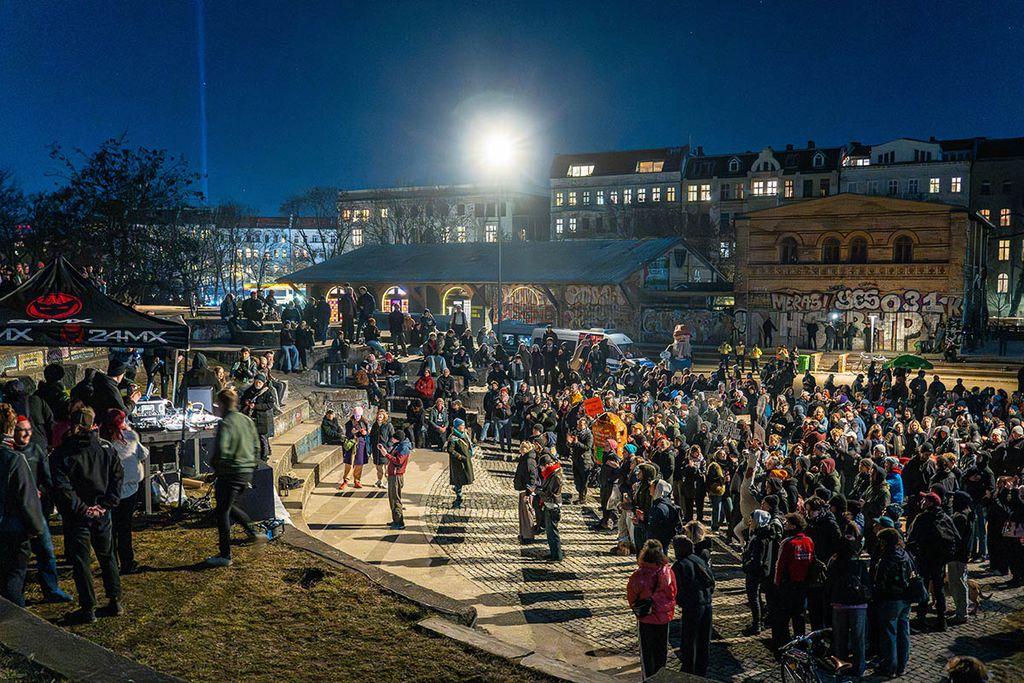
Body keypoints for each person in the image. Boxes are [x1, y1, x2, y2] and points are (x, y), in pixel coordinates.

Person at [50, 407, 124, 623]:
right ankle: (114, 599)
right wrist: (106, 504)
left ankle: (88, 606)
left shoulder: (63, 453)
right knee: (107, 555)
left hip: (77, 515)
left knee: (82, 561)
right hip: (100, 511)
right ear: (94, 425)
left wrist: (82, 508)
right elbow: (117, 477)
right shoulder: (105, 448)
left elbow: (63, 487)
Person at [205, 389, 261, 567]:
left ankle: (225, 555)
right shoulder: (246, 420)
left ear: (221, 405)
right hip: (245, 472)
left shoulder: (225, 423)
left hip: (230, 472)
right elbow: (256, 445)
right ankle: (254, 533)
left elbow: (222, 451)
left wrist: (215, 470)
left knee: (222, 512)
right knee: (229, 506)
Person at [0, 404, 48, 607]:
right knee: (13, 580)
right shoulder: (14, 460)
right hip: (12, 530)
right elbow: (27, 499)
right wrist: (36, 528)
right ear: (11, 429)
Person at [98, 409, 147, 575]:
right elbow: (143, 454)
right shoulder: (131, 436)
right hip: (129, 489)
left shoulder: (101, 442)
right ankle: (127, 562)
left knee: (111, 529)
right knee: (124, 528)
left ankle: (111, 563)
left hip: (109, 490)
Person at [906, 490, 959, 631]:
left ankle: (921, 619)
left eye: (924, 500)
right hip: (940, 560)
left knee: (923, 589)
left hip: (924, 558)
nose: (922, 502)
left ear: (930, 503)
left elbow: (910, 538)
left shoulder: (922, 518)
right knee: (939, 589)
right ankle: (942, 621)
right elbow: (956, 537)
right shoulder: (946, 518)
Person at [626, 539, 677, 679]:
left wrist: (637, 609)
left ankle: (648, 679)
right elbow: (673, 593)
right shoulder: (668, 572)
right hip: (664, 618)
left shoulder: (639, 575)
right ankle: (660, 678)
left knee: (647, 654)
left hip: (646, 619)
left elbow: (632, 596)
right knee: (661, 652)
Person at [823, 527, 871, 677]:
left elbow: (828, 584)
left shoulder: (834, 563)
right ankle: (859, 667)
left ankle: (841, 665)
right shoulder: (859, 564)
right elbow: (867, 583)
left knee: (840, 638)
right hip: (858, 605)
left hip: (839, 604)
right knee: (858, 638)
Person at [870, 526, 914, 678]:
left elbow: (879, 582)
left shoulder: (886, 559)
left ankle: (889, 667)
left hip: (890, 600)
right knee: (903, 633)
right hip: (905, 599)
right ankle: (902, 665)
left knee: (889, 635)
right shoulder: (905, 555)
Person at [672, 535, 714, 676]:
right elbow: (711, 582)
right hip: (707, 604)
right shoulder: (699, 560)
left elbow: (676, 590)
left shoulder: (680, 565)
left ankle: (689, 670)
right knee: (704, 640)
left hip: (692, 606)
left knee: (689, 639)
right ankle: (702, 670)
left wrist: (682, 602)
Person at [772, 512, 815, 650]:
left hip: (788, 583)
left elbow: (780, 565)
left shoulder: (787, 543)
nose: (785, 525)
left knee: (783, 615)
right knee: (799, 615)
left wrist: (777, 583)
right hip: (803, 583)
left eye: (787, 523)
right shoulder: (809, 541)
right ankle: (800, 640)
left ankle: (783, 643)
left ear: (793, 526)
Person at [241, 374, 276, 461]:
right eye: (256, 382)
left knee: (262, 438)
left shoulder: (267, 392)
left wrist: (256, 406)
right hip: (250, 417)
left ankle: (264, 457)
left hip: (261, 418)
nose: (257, 384)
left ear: (263, 383)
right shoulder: (250, 390)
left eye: (259, 382)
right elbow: (243, 399)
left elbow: (270, 404)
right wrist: (246, 402)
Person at [383, 429, 412, 530]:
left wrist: (385, 454)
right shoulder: (400, 445)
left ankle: (399, 522)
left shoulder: (403, 448)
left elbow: (398, 461)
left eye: (394, 438)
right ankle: (396, 519)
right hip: (394, 475)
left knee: (395, 499)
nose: (392, 439)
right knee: (392, 498)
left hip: (396, 477)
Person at [539, 456, 565, 562]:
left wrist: (538, 492)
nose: (541, 470)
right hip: (549, 505)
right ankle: (553, 553)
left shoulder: (555, 476)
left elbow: (551, 494)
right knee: (550, 533)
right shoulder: (550, 474)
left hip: (553, 507)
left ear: (546, 465)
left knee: (553, 533)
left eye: (541, 467)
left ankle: (557, 556)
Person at [338, 406, 370, 490]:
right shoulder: (349, 423)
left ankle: (357, 480)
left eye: (359, 415)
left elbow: (367, 433)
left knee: (359, 463)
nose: (357, 417)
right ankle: (346, 481)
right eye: (356, 415)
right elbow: (347, 435)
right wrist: (352, 433)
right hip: (352, 444)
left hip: (361, 443)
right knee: (349, 463)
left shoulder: (364, 422)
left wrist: (365, 433)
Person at [513, 440, 539, 544]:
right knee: (523, 513)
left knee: (527, 514)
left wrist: (529, 491)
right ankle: (524, 534)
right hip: (523, 489)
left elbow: (532, 478)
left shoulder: (529, 461)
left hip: (526, 490)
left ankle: (528, 535)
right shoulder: (525, 458)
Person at [447, 418, 475, 509]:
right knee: (459, 481)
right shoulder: (453, 438)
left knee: (464, 479)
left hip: (465, 461)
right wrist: (460, 457)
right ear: (457, 427)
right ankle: (458, 500)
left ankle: (458, 495)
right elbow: (450, 450)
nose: (463, 427)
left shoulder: (464, 435)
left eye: (463, 425)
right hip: (458, 464)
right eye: (461, 425)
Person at [369, 408, 395, 488]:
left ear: (384, 416)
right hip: (376, 449)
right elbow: (371, 436)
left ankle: (387, 481)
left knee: (386, 467)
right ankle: (379, 480)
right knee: (378, 467)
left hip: (385, 449)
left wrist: (388, 446)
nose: (379, 416)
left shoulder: (388, 425)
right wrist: (371, 447)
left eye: (381, 415)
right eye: (378, 415)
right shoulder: (375, 425)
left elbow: (392, 437)